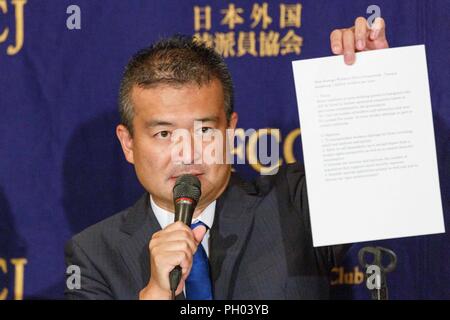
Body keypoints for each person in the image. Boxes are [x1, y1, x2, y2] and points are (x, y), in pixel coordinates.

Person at [64, 17, 389, 299]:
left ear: (230, 132)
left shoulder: (293, 207)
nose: (187, 152)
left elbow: (378, 177)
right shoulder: (93, 256)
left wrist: (371, 82)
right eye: (164, 134)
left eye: (205, 130)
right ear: (128, 144)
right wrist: (156, 294)